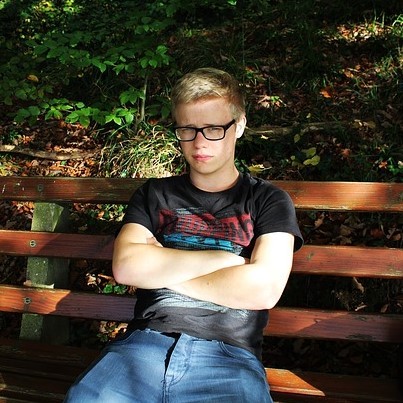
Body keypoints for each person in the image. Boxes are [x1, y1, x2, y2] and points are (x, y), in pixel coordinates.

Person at [64, 67, 303, 403]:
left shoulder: (268, 200)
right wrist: (225, 261)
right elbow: (128, 267)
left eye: (214, 129)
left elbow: (263, 289)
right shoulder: (155, 195)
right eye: (188, 129)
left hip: (229, 358)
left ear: (240, 125)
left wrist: (161, 269)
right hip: (142, 347)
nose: (199, 142)